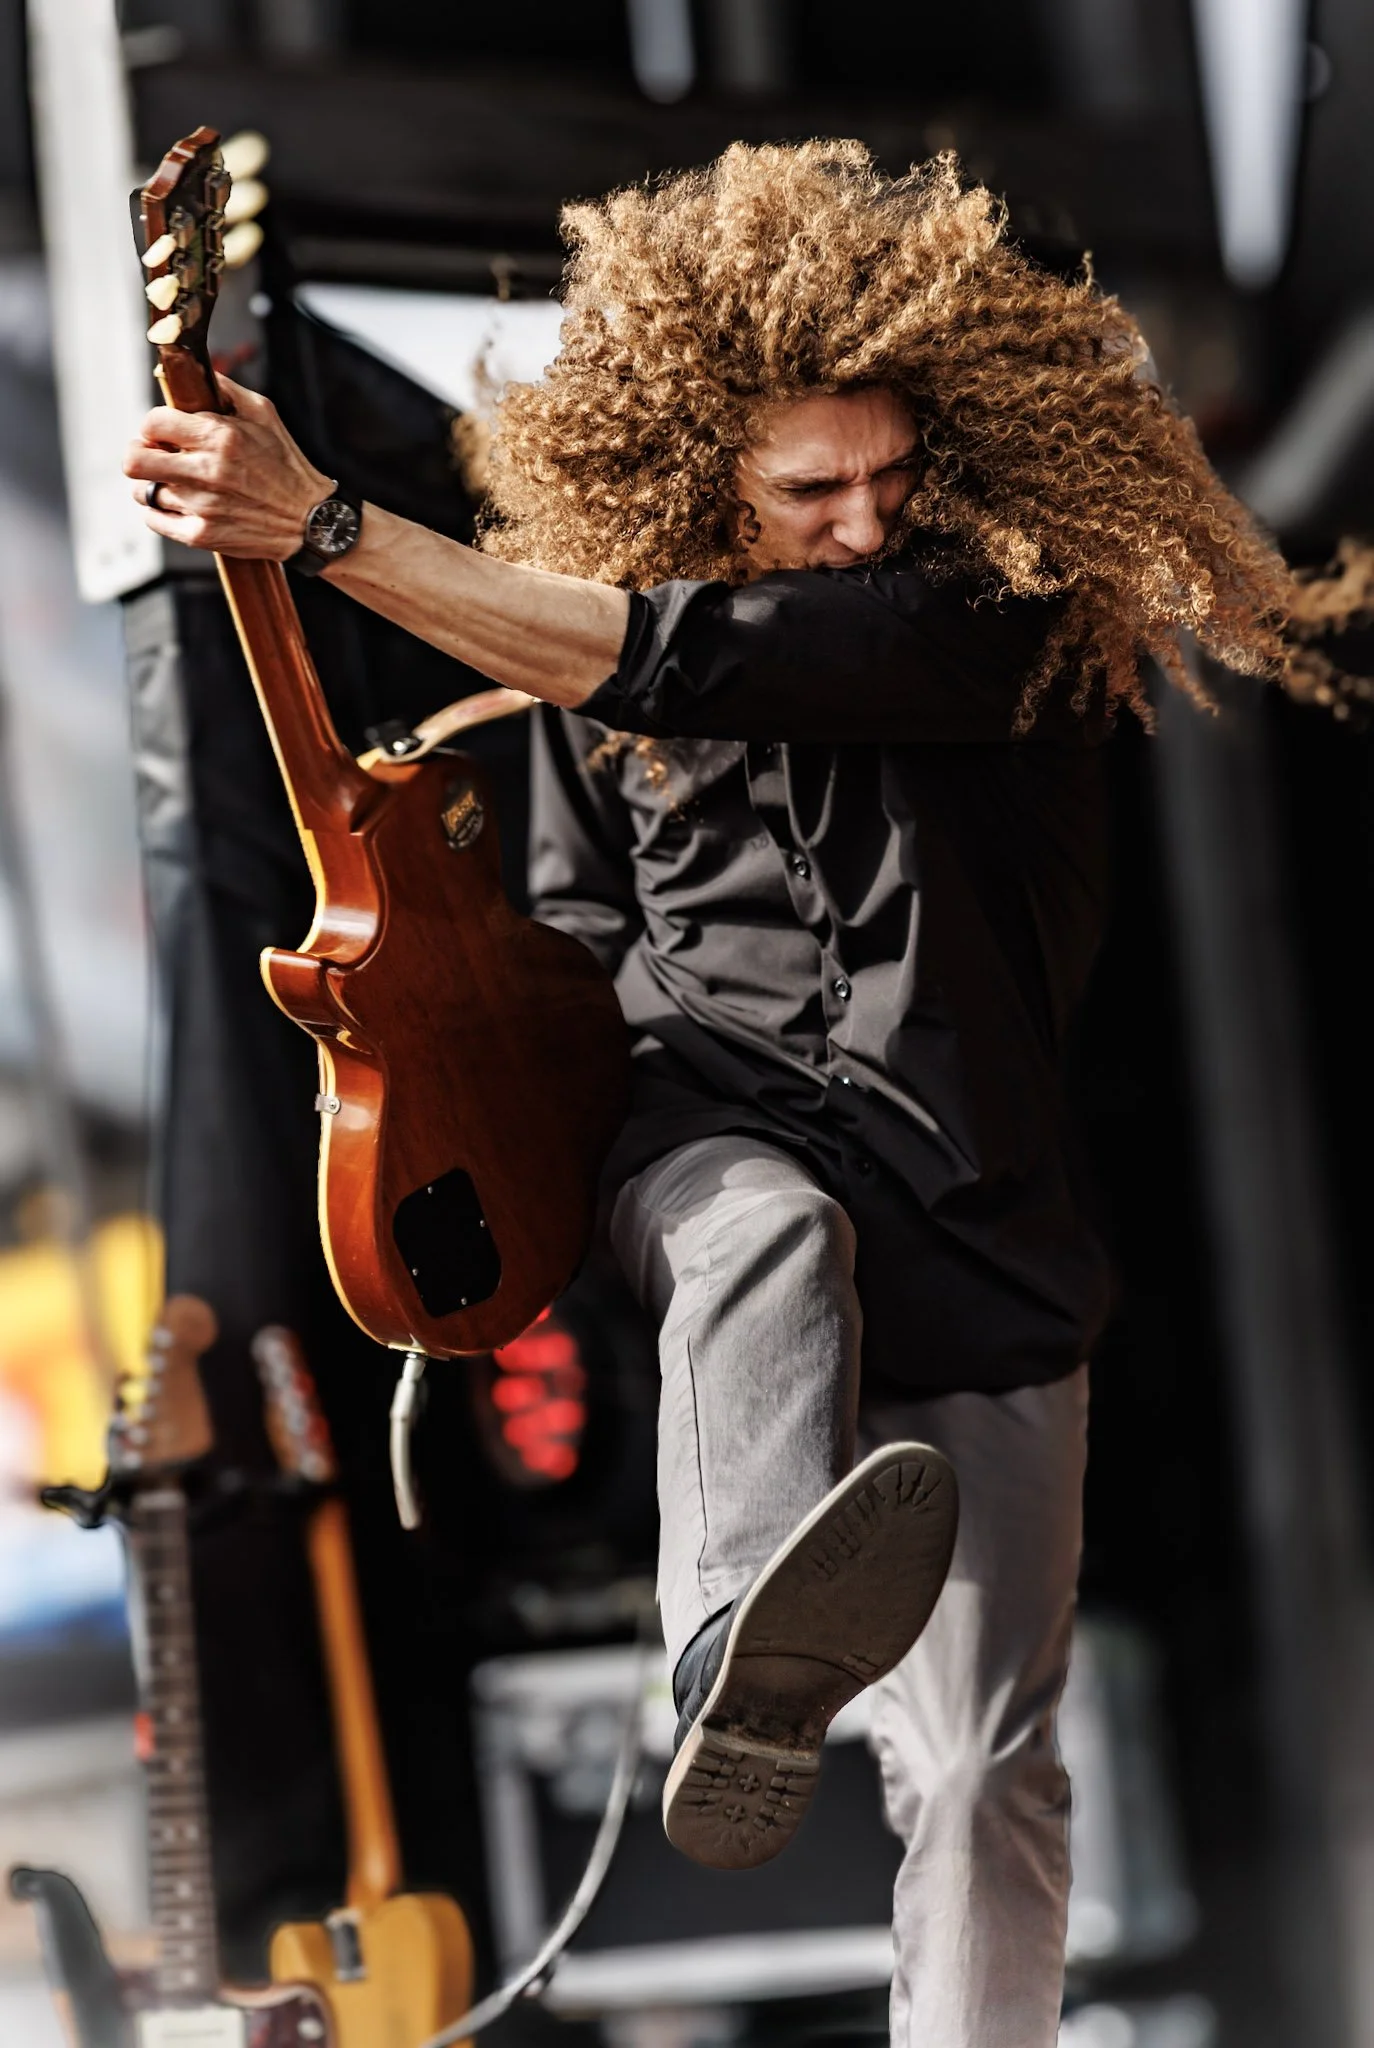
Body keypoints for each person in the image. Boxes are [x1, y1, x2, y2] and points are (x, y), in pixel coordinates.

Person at [126, 141, 1369, 2048]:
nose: (863, 523)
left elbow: (678, 660)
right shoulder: (584, 686)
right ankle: (737, 1655)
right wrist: (437, 1025)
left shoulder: (988, 615)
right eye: (809, 491)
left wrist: (330, 530)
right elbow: (567, 939)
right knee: (765, 1232)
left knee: (985, 1770)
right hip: (699, 1140)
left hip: (977, 1226)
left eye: (892, 478)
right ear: (709, 475)